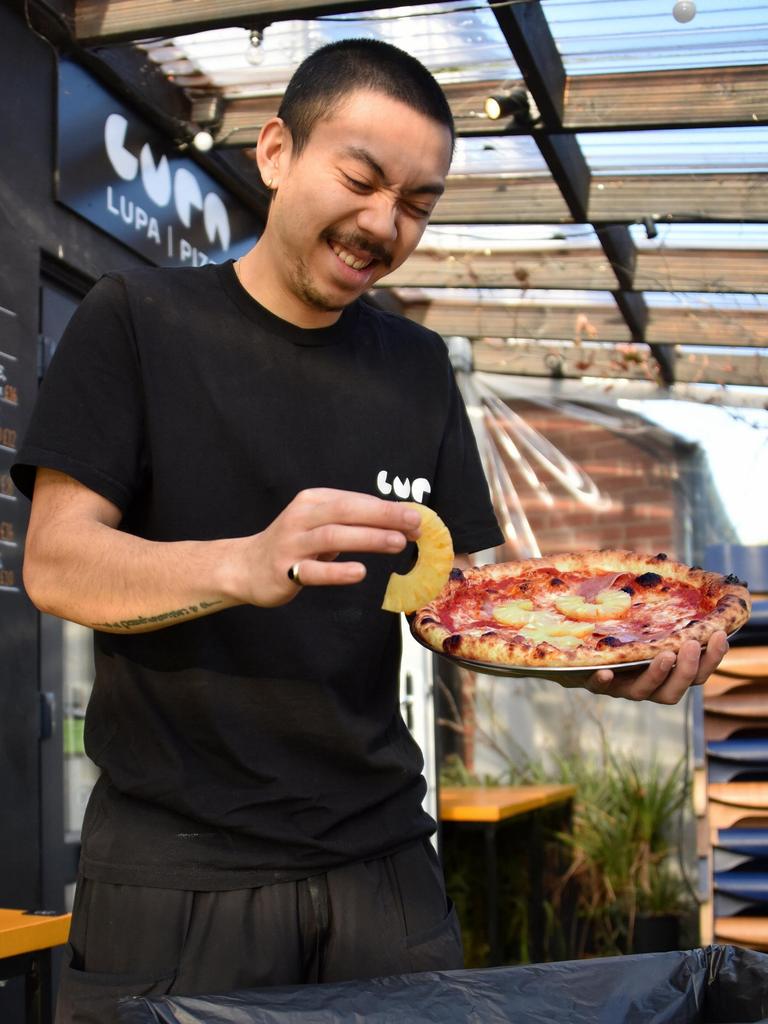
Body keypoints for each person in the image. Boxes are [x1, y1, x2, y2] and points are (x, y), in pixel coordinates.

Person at [12, 37, 727, 1024]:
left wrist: (596, 651)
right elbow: (54, 561)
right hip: (180, 878)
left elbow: (466, 606)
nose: (384, 223)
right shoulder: (139, 319)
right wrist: (247, 561)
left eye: (420, 203)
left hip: (387, 873)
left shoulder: (418, 367)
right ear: (274, 153)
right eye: (361, 177)